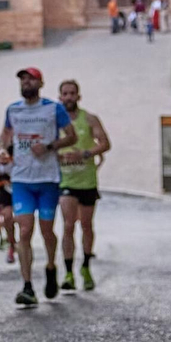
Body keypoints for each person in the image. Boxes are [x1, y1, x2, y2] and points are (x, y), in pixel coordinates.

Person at [1, 66, 77, 306]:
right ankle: (27, 286)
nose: (26, 83)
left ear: (40, 83)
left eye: (30, 80)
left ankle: (52, 266)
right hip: (22, 179)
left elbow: (71, 136)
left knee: (46, 230)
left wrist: (50, 146)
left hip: (47, 179)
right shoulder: (13, 110)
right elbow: (4, 136)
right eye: (22, 80)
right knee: (24, 231)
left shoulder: (54, 109)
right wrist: (3, 151)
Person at [57, 79, 111, 292]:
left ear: (79, 96)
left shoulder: (89, 119)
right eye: (65, 93)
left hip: (87, 180)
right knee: (68, 224)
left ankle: (86, 266)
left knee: (86, 225)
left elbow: (106, 143)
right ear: (60, 97)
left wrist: (84, 153)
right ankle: (69, 272)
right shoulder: (54, 122)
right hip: (66, 181)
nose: (69, 97)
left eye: (72, 93)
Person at [0, 141, 16, 262]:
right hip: (4, 193)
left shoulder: (16, 158)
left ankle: (22, 243)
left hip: (19, 190)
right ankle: (11, 243)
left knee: (23, 219)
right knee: (6, 217)